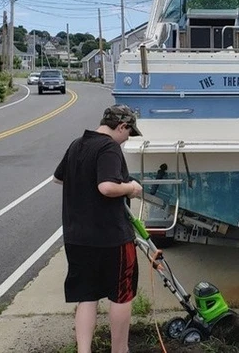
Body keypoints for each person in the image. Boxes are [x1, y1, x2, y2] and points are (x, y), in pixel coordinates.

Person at [52, 104, 144, 353]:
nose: (127, 139)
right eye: (128, 133)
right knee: (121, 295)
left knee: (87, 296)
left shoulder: (77, 144)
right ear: (121, 126)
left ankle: (84, 350)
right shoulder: (109, 147)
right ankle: (119, 350)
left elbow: (58, 178)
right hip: (111, 237)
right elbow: (106, 187)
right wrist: (131, 188)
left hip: (77, 237)